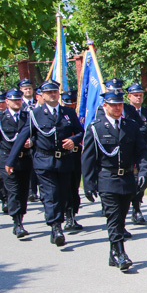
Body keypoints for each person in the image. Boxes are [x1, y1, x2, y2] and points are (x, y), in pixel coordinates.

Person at [5, 81, 84, 247]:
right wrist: (11, 160)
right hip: (44, 161)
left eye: (55, 91)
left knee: (63, 195)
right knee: (51, 194)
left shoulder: (68, 113)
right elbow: (22, 137)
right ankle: (56, 227)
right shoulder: (35, 114)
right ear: (42, 95)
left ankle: (58, 222)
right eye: (49, 93)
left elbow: (80, 131)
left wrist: (73, 140)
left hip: (64, 161)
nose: (53, 95)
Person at [82, 89, 147, 271]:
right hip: (107, 178)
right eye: (113, 105)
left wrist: (143, 172)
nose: (117, 108)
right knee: (113, 216)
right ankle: (120, 253)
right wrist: (88, 183)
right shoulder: (96, 128)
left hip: (127, 178)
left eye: (119, 104)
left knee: (120, 217)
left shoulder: (131, 126)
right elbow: (88, 157)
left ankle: (113, 252)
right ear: (105, 106)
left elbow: (142, 152)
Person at [126, 82, 147, 226]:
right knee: (130, 180)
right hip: (128, 153)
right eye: (135, 95)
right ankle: (129, 206)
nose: (138, 98)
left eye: (140, 95)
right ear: (129, 97)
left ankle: (137, 207)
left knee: (142, 180)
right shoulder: (124, 111)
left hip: (143, 153)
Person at [1, 88, 33, 237]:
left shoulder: (28, 117)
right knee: (13, 191)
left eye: (19, 100)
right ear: (7, 101)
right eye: (13, 100)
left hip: (24, 158)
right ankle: (17, 223)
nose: (17, 102)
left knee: (23, 191)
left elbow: (36, 134)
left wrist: (31, 142)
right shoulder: (1, 118)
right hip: (7, 159)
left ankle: (21, 217)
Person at [60, 90, 83, 232]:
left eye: (73, 102)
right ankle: (67, 215)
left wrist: (74, 141)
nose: (70, 105)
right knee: (65, 187)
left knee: (74, 186)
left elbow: (80, 132)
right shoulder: (60, 115)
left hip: (75, 154)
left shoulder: (74, 114)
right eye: (67, 102)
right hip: (63, 155)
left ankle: (72, 213)